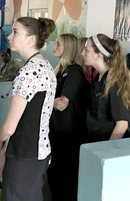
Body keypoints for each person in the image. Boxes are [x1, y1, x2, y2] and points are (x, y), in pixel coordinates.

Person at [0, 17, 56, 201]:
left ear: (31, 39)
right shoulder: (46, 66)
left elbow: (9, 128)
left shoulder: (28, 72)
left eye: (15, 32)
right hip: (40, 153)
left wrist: (0, 143)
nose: (10, 36)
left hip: (23, 154)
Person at [47, 34, 89, 201]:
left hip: (67, 136)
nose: (54, 46)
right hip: (58, 132)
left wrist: (46, 102)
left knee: (64, 179)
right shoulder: (60, 70)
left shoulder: (74, 72)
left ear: (69, 49)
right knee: (56, 177)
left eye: (58, 44)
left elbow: (62, 103)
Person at [82, 33, 130, 143]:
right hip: (94, 142)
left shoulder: (116, 82)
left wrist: (107, 151)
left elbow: (122, 124)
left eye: (86, 50)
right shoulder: (99, 76)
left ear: (98, 55)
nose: (82, 53)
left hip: (106, 145)